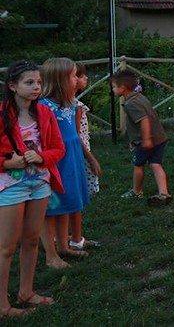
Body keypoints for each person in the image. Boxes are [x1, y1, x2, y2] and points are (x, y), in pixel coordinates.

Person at [0, 60, 64, 317]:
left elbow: (58, 148)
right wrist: (7, 163)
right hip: (10, 187)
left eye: (38, 82)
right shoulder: (2, 115)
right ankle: (2, 306)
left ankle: (26, 292)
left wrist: (42, 157)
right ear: (13, 86)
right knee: (6, 248)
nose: (37, 87)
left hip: (39, 184)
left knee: (31, 240)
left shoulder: (45, 113)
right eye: (29, 82)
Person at [40, 57, 90, 268]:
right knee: (53, 206)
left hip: (71, 158)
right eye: (73, 76)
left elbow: (74, 134)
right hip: (56, 162)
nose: (77, 79)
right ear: (60, 80)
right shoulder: (44, 107)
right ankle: (51, 255)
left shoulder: (70, 104)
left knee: (67, 201)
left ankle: (63, 246)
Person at [113, 69, 172, 206]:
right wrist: (132, 140)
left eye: (114, 87)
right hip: (159, 138)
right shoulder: (139, 97)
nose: (113, 90)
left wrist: (146, 140)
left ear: (123, 88)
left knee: (138, 165)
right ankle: (164, 193)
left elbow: (144, 120)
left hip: (146, 141)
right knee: (155, 164)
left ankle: (137, 191)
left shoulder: (131, 104)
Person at [69, 63, 101, 251]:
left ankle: (71, 236)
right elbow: (75, 136)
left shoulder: (73, 104)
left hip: (79, 152)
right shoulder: (74, 106)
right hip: (79, 154)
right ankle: (73, 237)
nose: (85, 79)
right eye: (80, 76)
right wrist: (90, 158)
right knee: (76, 198)